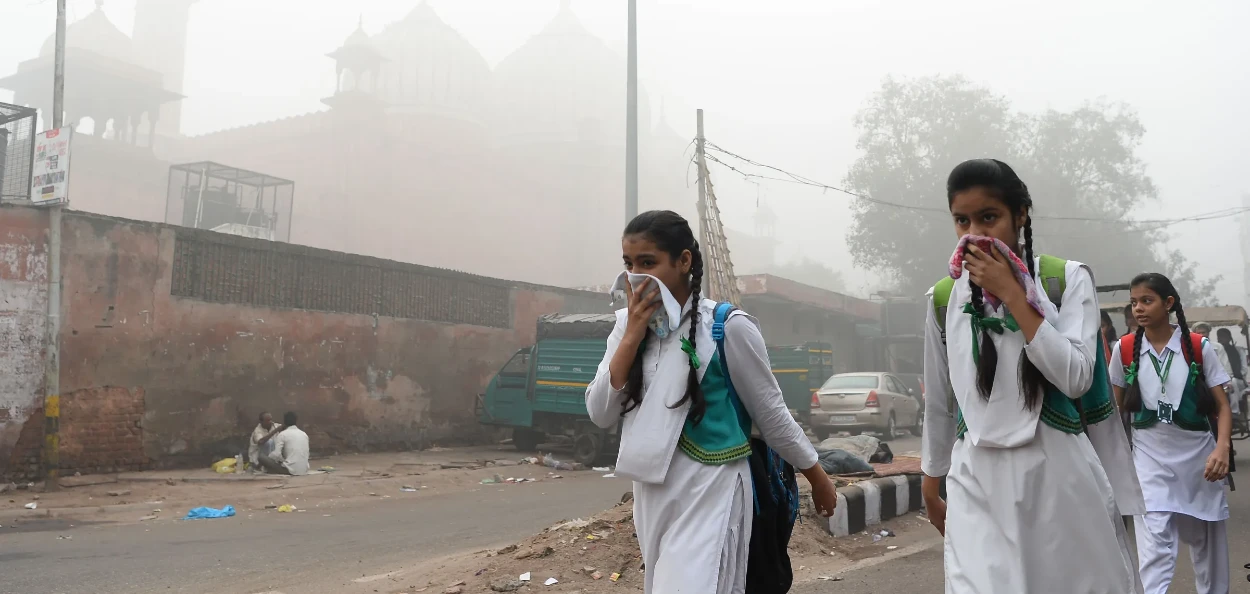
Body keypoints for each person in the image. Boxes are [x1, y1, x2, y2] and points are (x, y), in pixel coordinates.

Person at [585, 210, 838, 594]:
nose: (636, 275)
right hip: (653, 492)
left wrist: (816, 476)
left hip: (713, 486)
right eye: (629, 264)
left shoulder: (728, 327)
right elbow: (600, 412)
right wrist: (633, 335)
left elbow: (772, 415)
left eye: (648, 263)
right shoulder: (625, 326)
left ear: (683, 260)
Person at [920, 159, 1141, 593]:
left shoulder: (1066, 280)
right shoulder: (942, 298)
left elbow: (1076, 377)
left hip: (1057, 475)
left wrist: (1015, 297)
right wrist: (932, 478)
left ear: (1021, 215)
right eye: (961, 221)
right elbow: (940, 401)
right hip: (976, 479)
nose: (974, 234)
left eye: (989, 217)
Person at [1111, 274, 1233, 594]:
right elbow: (1114, 411)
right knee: (1154, 546)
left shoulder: (1197, 347)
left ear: (1168, 304)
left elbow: (1222, 405)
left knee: (1207, 546)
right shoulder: (1124, 349)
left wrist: (1221, 449)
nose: (1138, 308)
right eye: (1134, 302)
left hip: (1199, 460)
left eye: (1146, 301)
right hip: (1149, 460)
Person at [259, 412, 310, 476]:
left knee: (261, 457)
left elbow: (276, 455)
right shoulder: (304, 434)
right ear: (296, 421)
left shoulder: (282, 434)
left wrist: (274, 459)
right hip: (304, 469)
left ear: (284, 422)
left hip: (290, 470)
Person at [1216, 328, 1245, 415]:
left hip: (1238, 380)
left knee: (1233, 382)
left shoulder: (1238, 350)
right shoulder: (1217, 351)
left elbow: (1244, 369)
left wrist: (1232, 376)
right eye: (1219, 337)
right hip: (1220, 380)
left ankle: (1234, 411)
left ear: (1229, 337)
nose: (1221, 339)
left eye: (1223, 336)